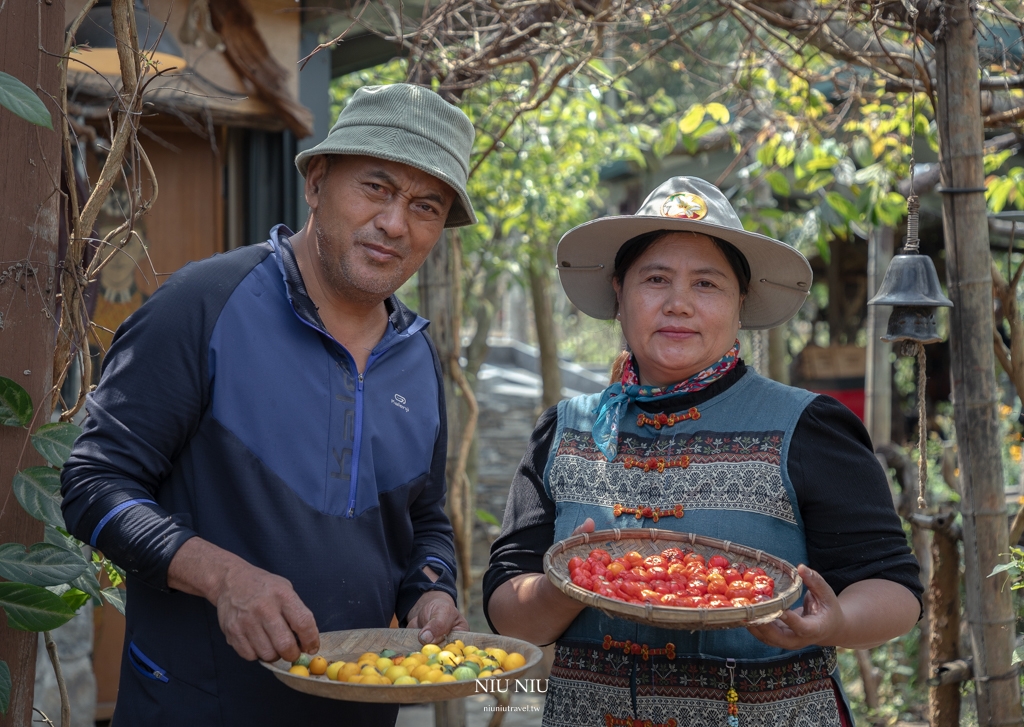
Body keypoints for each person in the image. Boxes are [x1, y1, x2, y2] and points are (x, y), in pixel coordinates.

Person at [61, 83, 476, 725]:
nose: (396, 223)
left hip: (357, 710)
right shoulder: (200, 306)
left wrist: (431, 587)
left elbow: (424, 520)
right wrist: (223, 577)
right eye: (376, 187)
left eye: (426, 206)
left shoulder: (418, 358)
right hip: (196, 705)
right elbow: (92, 484)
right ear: (316, 182)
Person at [483, 177, 923, 726]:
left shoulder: (808, 426)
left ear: (741, 303)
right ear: (619, 294)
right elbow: (510, 611)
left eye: (707, 284)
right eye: (656, 279)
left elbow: (895, 591)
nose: (678, 304)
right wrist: (573, 583)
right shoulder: (563, 431)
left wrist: (833, 623)